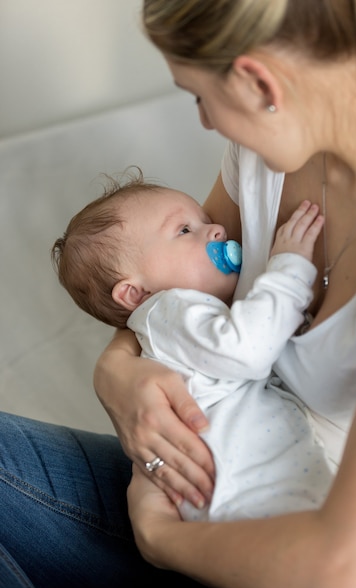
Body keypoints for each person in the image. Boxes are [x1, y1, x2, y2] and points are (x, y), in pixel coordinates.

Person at [2, 0, 356, 588]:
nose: (203, 121)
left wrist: (161, 539)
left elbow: (348, 576)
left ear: (258, 83)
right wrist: (117, 378)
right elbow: (158, 288)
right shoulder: (262, 155)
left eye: (197, 96)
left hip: (319, 570)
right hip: (205, 491)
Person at [52, 170, 333, 527]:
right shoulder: (171, 310)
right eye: (184, 230)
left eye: (205, 221)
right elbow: (248, 350)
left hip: (248, 492)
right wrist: (289, 269)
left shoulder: (172, 322)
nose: (216, 230)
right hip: (247, 495)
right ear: (136, 294)